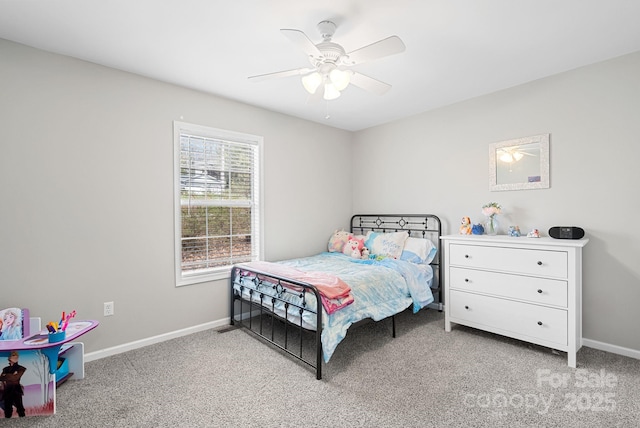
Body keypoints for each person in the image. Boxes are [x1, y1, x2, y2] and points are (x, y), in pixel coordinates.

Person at [0, 351, 26, 418]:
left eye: (16, 356)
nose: (15, 357)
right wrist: (10, 375)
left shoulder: (21, 368)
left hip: (16, 390)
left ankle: (22, 420)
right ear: (9, 358)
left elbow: (15, 378)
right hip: (7, 390)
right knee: (7, 408)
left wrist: (6, 376)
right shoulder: (5, 369)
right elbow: (1, 378)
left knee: (20, 408)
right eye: (13, 355)